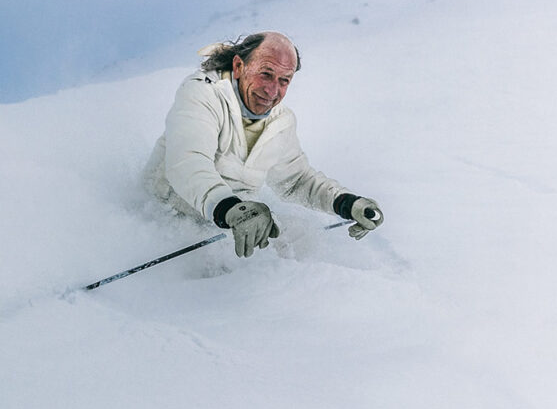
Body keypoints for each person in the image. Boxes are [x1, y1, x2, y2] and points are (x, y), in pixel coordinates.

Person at [142, 31, 382, 257]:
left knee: (300, 245)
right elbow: (188, 163)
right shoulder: (202, 94)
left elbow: (296, 181)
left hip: (233, 228)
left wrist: (347, 204)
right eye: (265, 74)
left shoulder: (281, 121)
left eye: (284, 80)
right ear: (238, 66)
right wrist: (231, 209)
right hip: (166, 223)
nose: (272, 90)